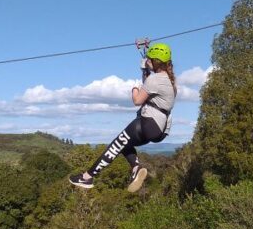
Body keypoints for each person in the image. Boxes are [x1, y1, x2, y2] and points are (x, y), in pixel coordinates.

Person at [69, 43, 176, 192]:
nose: (147, 61)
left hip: (148, 123)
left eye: (149, 60)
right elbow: (150, 86)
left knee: (116, 145)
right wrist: (146, 70)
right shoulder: (169, 80)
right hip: (160, 129)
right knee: (125, 145)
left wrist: (134, 88)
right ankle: (136, 168)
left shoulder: (155, 80)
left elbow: (137, 100)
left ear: (155, 62)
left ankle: (87, 177)